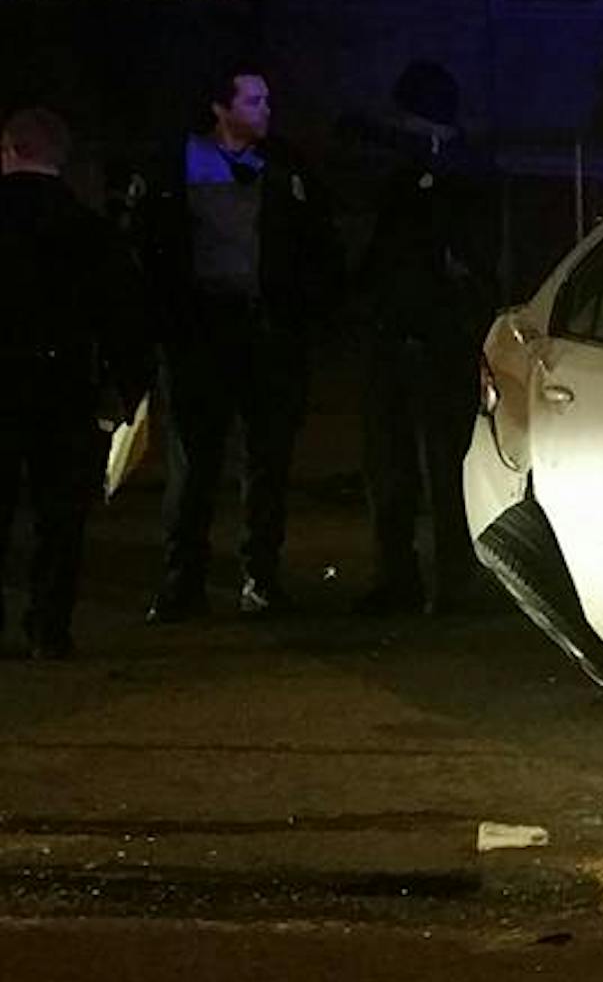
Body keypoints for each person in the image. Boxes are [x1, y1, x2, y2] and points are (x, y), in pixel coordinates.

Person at [139, 63, 340, 622]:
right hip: (201, 332)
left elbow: (317, 245)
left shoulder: (282, 165)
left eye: (265, 100)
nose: (265, 110)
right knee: (195, 462)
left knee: (266, 461)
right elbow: (152, 247)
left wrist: (301, 309)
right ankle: (186, 579)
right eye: (253, 101)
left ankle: (259, 576)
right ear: (220, 107)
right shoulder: (177, 165)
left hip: (264, 332)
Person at [349, 60, 501, 615]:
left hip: (428, 331)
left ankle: (432, 578)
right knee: (410, 462)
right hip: (416, 330)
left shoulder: (456, 172)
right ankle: (421, 578)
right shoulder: (434, 169)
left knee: (430, 462)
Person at [0, 108, 152, 658]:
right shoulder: (88, 230)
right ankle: (49, 625)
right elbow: (122, 316)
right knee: (60, 514)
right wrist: (130, 387)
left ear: (9, 150)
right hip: (64, 382)